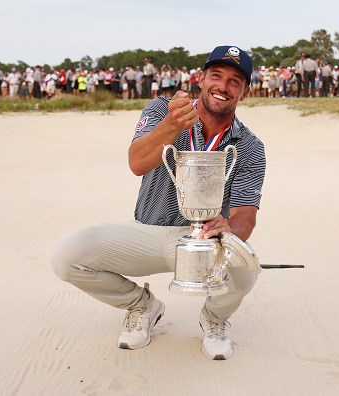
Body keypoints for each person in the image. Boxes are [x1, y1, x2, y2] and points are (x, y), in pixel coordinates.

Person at [51, 45, 266, 361]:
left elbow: (246, 216)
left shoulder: (250, 146)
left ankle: (215, 319)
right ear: (201, 79)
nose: (223, 86)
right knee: (66, 256)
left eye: (235, 81)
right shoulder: (162, 108)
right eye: (216, 76)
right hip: (147, 233)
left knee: (248, 267)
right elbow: (136, 162)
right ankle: (142, 305)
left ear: (244, 92)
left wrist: (228, 229)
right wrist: (173, 125)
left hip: (203, 244)